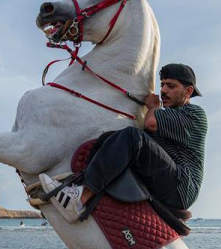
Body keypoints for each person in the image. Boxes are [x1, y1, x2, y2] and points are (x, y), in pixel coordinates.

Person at [40, 63, 207, 223]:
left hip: (182, 186)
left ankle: (79, 200)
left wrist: (153, 107)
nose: (163, 90)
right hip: (168, 178)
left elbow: (150, 124)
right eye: (162, 85)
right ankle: (76, 183)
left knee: (132, 136)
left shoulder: (194, 114)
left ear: (188, 91)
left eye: (171, 86)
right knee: (113, 138)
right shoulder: (169, 115)